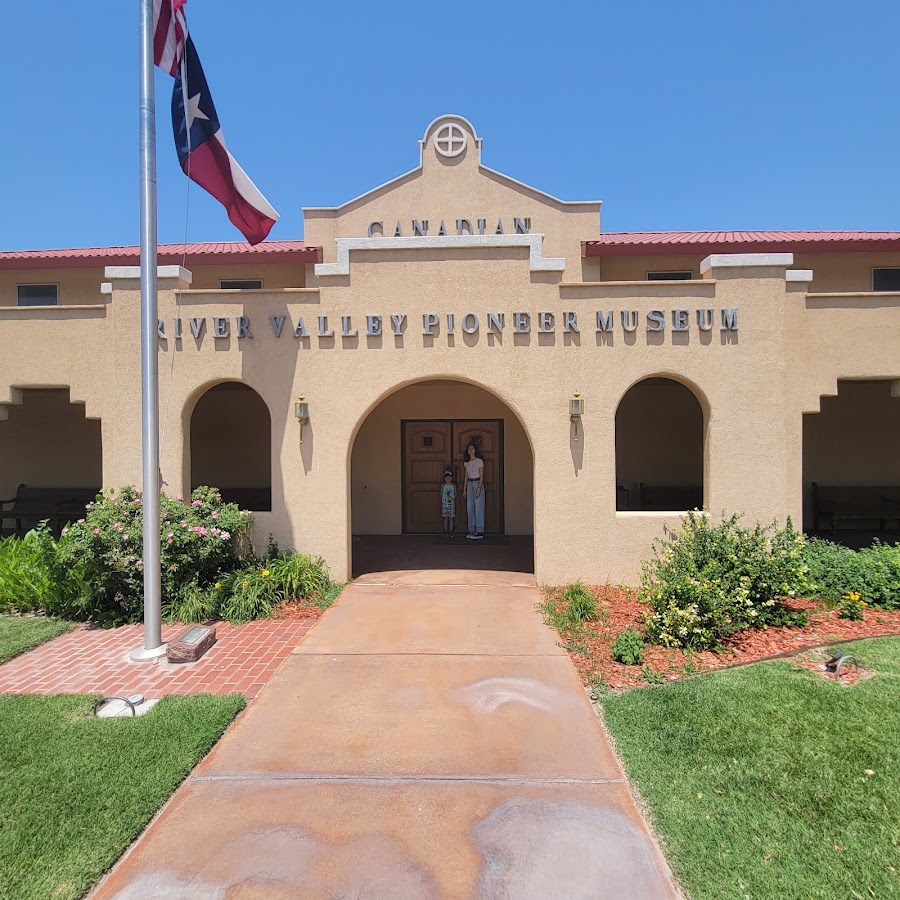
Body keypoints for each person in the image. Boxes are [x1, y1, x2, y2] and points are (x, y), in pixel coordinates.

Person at [463, 443, 484, 539]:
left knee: (478, 507)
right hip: (469, 484)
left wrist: (479, 488)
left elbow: (481, 475)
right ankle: (471, 530)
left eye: (472, 448)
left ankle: (479, 530)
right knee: (469, 507)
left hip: (477, 483)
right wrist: (464, 489)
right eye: (469, 449)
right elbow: (466, 476)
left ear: (475, 450)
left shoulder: (479, 461)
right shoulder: (466, 463)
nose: (471, 450)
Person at [440, 469, 456, 539]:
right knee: (445, 517)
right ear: (444, 478)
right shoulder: (443, 485)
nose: (448, 479)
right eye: (446, 477)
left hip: (451, 503)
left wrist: (452, 498)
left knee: (451, 518)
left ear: (451, 478)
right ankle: (446, 530)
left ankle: (451, 530)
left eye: (449, 477)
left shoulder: (453, 485)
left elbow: (455, 494)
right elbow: (441, 493)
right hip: (444, 503)